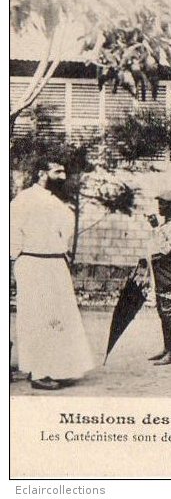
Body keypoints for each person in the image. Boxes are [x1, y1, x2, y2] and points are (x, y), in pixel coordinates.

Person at [10, 159, 95, 390]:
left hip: (55, 264)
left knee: (59, 318)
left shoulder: (57, 202)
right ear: (41, 173)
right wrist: (15, 261)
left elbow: (65, 232)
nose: (63, 176)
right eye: (57, 171)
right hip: (34, 263)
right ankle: (39, 373)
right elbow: (12, 234)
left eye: (64, 171)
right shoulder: (24, 200)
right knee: (38, 317)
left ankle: (57, 368)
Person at [146, 190, 171, 366]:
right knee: (162, 311)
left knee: (169, 311)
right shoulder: (165, 227)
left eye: (162, 204)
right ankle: (166, 348)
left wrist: (155, 228)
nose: (159, 207)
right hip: (161, 273)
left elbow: (165, 249)